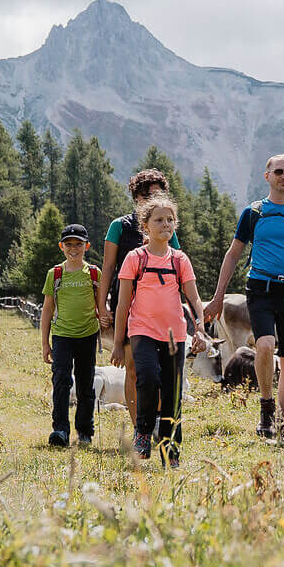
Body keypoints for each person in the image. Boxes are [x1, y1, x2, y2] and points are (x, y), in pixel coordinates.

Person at [204, 154, 284, 439]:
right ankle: (266, 406)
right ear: (267, 176)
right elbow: (234, 253)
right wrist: (217, 296)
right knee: (264, 345)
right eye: (278, 172)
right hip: (260, 288)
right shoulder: (254, 212)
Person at [110, 195, 206, 466]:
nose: (166, 224)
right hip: (142, 331)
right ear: (145, 226)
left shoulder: (180, 260)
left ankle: (170, 451)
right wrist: (119, 343)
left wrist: (199, 326)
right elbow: (122, 305)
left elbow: (194, 298)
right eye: (159, 220)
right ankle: (142, 431)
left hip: (175, 335)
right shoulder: (135, 259)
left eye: (170, 219)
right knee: (148, 378)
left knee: (173, 392)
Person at [104, 169, 183, 426]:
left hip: (161, 308)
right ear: (137, 197)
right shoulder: (119, 226)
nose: (154, 199)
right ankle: (140, 426)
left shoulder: (166, 225)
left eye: (160, 194)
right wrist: (101, 305)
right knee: (134, 368)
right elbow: (108, 269)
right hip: (127, 305)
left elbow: (179, 268)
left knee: (159, 369)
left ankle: (158, 421)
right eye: (149, 195)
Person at [41, 223, 113, 448]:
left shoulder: (94, 273)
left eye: (79, 244)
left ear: (87, 246)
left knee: (85, 384)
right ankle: (60, 430)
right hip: (62, 336)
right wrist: (45, 343)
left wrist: (105, 317)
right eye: (69, 244)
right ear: (62, 246)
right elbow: (47, 309)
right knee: (61, 381)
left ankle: (84, 431)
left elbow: (101, 305)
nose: (74, 249)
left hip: (88, 336)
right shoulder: (55, 274)